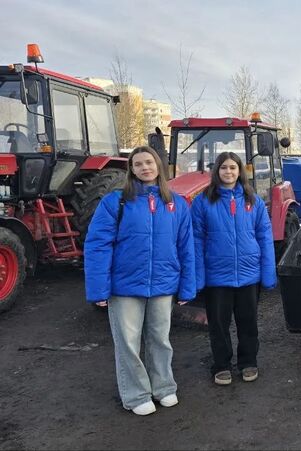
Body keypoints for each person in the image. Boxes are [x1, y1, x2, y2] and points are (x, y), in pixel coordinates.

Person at [84, 146, 195, 416]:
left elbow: (186, 246)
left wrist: (187, 285)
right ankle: (136, 395)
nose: (145, 168)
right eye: (138, 164)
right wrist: (99, 289)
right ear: (131, 169)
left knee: (160, 339)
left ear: (158, 165)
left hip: (163, 284)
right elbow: (98, 244)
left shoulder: (177, 204)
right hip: (125, 286)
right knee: (129, 343)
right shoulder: (115, 202)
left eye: (149, 162)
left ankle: (164, 388)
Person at [192, 152, 277, 386]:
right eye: (223, 168)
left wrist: (268, 273)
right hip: (217, 276)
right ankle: (221, 365)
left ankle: (248, 362)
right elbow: (196, 240)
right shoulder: (203, 201)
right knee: (218, 325)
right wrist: (198, 277)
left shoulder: (254, 201)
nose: (228, 172)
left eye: (232, 168)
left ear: (240, 171)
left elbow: (264, 237)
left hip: (249, 275)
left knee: (248, 322)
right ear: (216, 171)